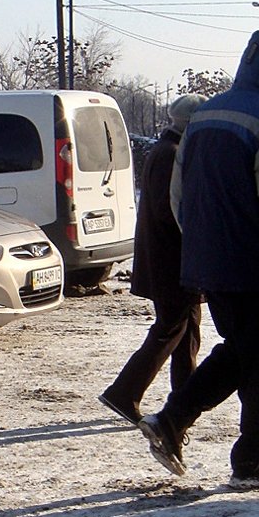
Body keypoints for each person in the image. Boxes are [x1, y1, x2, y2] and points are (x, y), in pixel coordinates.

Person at [137, 25, 259, 491]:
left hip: (209, 265)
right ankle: (252, 460)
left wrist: (203, 246)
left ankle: (175, 421)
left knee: (243, 354)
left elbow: (180, 199)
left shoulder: (202, 117)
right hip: (258, 271)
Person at [99, 94, 207, 426]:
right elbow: (171, 213)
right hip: (172, 263)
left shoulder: (169, 152)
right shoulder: (172, 156)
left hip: (173, 261)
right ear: (191, 123)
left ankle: (184, 399)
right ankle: (124, 393)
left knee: (186, 329)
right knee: (171, 328)